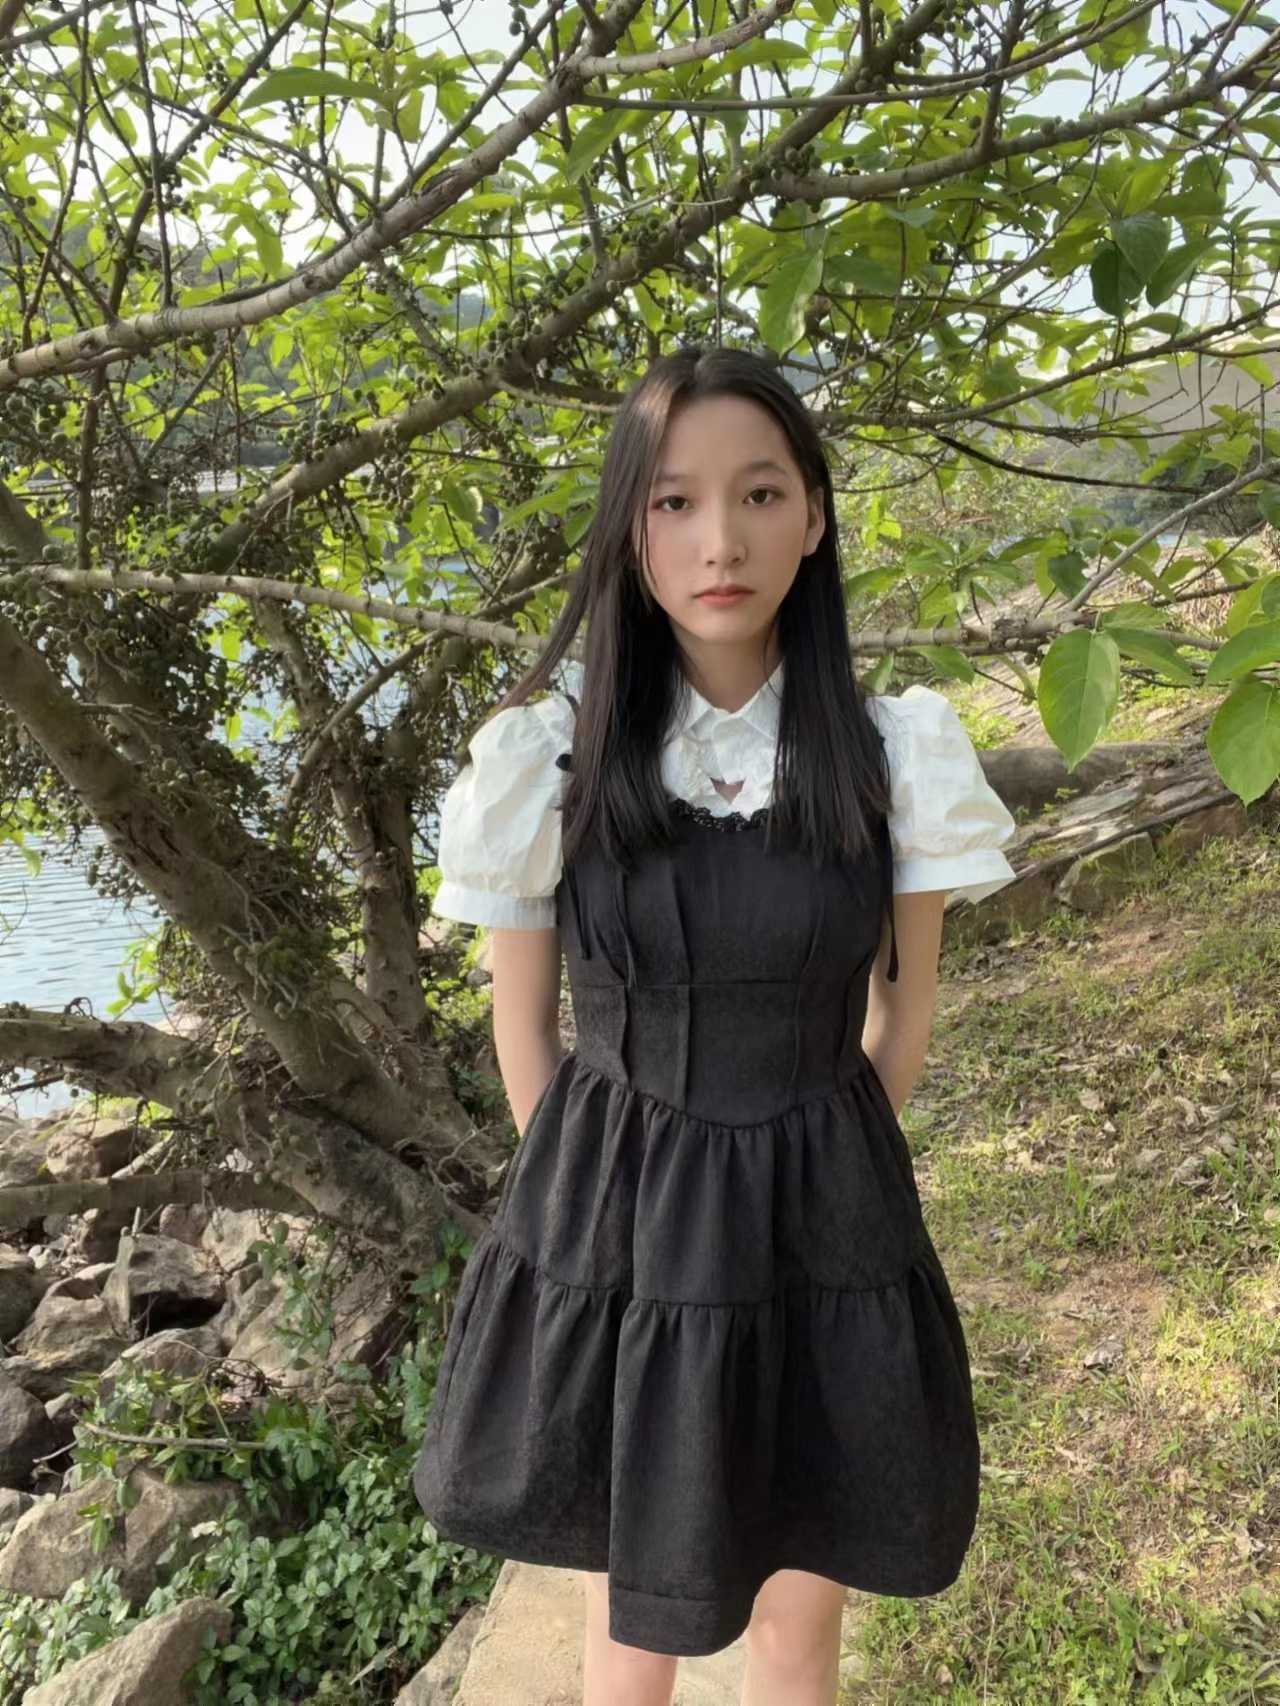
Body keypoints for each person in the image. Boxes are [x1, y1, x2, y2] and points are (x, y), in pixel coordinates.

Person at [413, 345, 1018, 1706]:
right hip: (620, 1237)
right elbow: (528, 1033)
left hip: (825, 1225)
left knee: (800, 1622)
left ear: (815, 516)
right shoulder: (550, 756)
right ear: (630, 530)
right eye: (675, 502)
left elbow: (903, 1008)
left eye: (759, 493)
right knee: (631, 1632)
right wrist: (604, 1218)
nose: (721, 541)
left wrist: (816, 1166)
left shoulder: (892, 750)